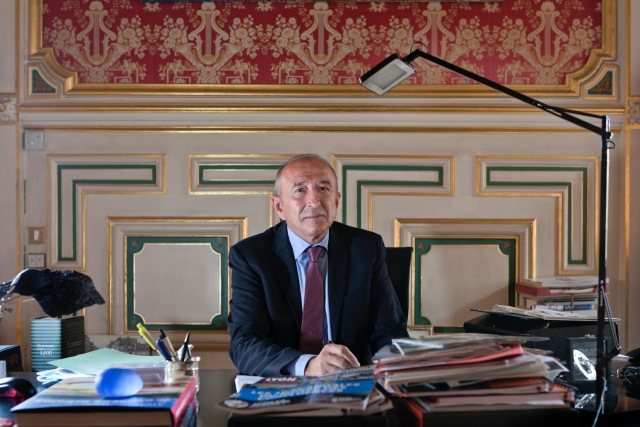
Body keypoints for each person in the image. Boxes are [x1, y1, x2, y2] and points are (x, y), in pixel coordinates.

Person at [228, 154, 408, 377]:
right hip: (283, 386)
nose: (314, 201)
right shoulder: (251, 256)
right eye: (300, 190)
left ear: (336, 201)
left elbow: (390, 333)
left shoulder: (366, 249)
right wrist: (308, 365)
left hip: (355, 387)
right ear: (279, 206)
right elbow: (245, 345)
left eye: (323, 188)